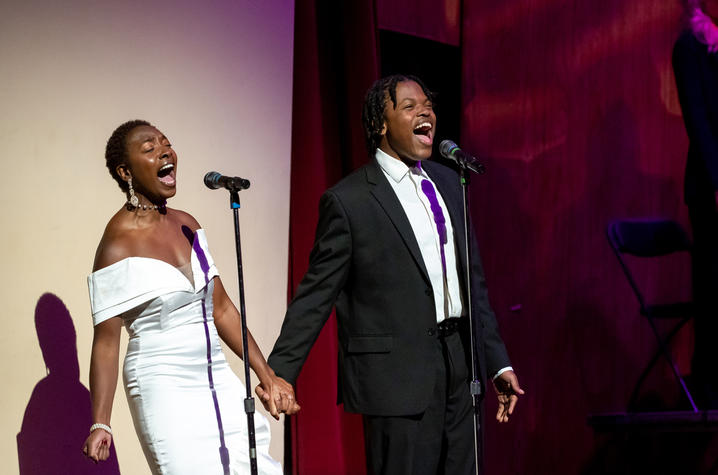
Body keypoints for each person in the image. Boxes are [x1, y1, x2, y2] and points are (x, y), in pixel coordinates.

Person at [265, 75, 523, 475]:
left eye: (428, 104)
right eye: (408, 106)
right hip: (396, 379)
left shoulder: (449, 184)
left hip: (459, 367)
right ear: (380, 124)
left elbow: (473, 284)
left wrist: (496, 363)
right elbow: (316, 294)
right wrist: (279, 372)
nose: (425, 112)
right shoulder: (350, 200)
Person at [81, 120, 299, 474]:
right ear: (125, 171)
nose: (165, 151)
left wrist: (266, 376)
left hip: (217, 379)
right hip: (162, 384)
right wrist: (100, 422)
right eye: (150, 149)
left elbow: (222, 307)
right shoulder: (116, 244)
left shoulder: (188, 225)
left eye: (166, 143)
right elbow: (106, 343)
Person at [673, 0, 718, 408]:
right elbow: (698, 119)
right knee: (711, 286)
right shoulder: (690, 45)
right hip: (710, 185)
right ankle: (709, 382)